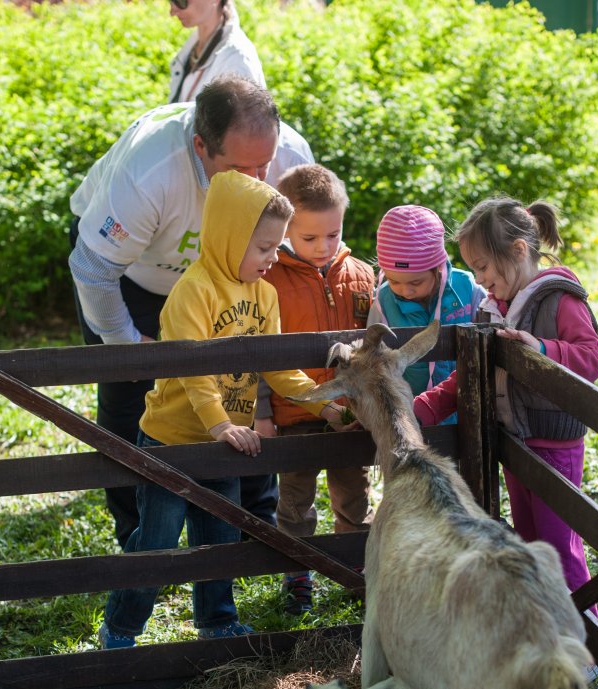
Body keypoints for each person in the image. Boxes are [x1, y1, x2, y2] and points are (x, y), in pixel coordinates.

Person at [98, 170, 349, 649]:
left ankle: (216, 620)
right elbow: (194, 370)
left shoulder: (266, 293)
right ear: (229, 237)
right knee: (157, 539)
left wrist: (325, 406)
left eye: (277, 247)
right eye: (263, 247)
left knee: (219, 537)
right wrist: (219, 425)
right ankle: (122, 627)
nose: (273, 257)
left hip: (227, 441)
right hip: (174, 439)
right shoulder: (194, 291)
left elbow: (278, 369)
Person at [68, 76, 313, 549]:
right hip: (135, 277)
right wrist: (129, 346)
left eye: (264, 166)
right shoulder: (149, 170)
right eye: (241, 168)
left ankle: (247, 533)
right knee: (131, 397)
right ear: (201, 146)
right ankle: (139, 545)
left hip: (233, 275)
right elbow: (93, 268)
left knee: (243, 382)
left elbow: (303, 243)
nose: (257, 181)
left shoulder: (291, 157)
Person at [413, 196, 598, 610]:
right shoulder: (493, 309)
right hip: (517, 444)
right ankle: (545, 629)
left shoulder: (560, 300)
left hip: (555, 447)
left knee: (559, 547)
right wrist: (426, 407)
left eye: (482, 266)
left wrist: (541, 349)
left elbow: (591, 357)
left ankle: (586, 638)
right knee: (532, 544)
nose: (478, 279)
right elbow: (469, 372)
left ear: (518, 251)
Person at [256, 164, 375, 614]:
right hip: (295, 413)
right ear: (285, 229)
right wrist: (262, 411)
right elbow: (259, 353)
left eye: (333, 234)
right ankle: (298, 573)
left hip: (349, 413)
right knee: (295, 500)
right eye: (309, 238)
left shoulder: (363, 275)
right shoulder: (269, 279)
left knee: (354, 494)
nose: (323, 247)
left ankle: (356, 570)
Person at [367, 205, 486, 422]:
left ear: (437, 268)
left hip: (465, 414)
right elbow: (373, 356)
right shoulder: (383, 300)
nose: (405, 291)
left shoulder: (467, 289)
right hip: (409, 415)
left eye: (416, 282)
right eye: (394, 281)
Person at [168, 0, 265, 103]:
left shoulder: (236, 60)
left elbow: (247, 118)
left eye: (180, 2)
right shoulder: (194, 45)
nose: (172, 12)